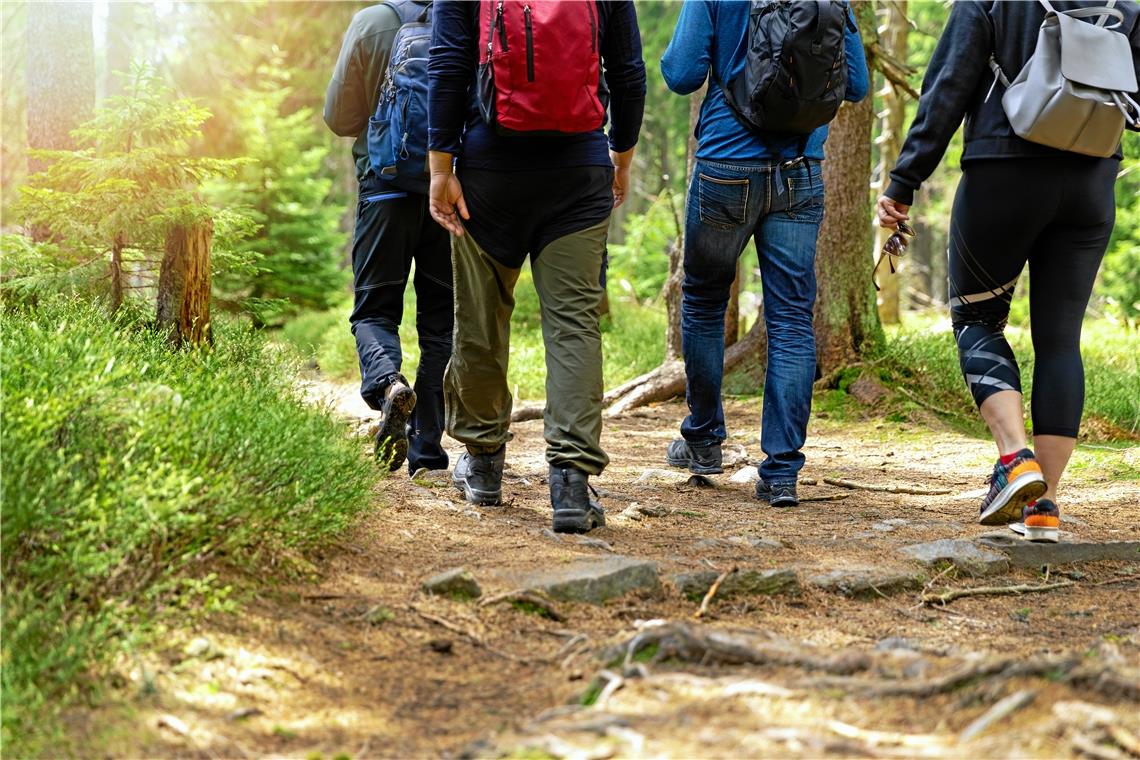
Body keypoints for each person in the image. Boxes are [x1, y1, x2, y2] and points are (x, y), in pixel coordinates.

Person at [876, 0, 1140, 542]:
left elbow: (947, 86)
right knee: (1061, 340)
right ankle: (1044, 508)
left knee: (978, 319)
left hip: (1003, 171)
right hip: (1092, 180)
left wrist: (905, 180)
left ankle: (1015, 459)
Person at [427, 0, 646, 533]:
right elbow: (628, 70)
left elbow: (449, 63)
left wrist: (440, 168)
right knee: (573, 325)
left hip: (488, 176)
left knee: (480, 321)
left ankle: (482, 465)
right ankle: (570, 482)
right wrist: (620, 160)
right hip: (578, 172)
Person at [660, 1, 869, 508]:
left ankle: (705, 440)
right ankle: (781, 472)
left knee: (705, 301)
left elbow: (682, 73)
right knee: (792, 318)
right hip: (799, 170)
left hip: (725, 166)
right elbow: (857, 85)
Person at [325, 0, 453, 475]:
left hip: (384, 189)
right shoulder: (469, 16)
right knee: (441, 323)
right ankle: (428, 451)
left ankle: (387, 384)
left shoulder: (371, 22)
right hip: (452, 193)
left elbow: (339, 118)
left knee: (374, 310)